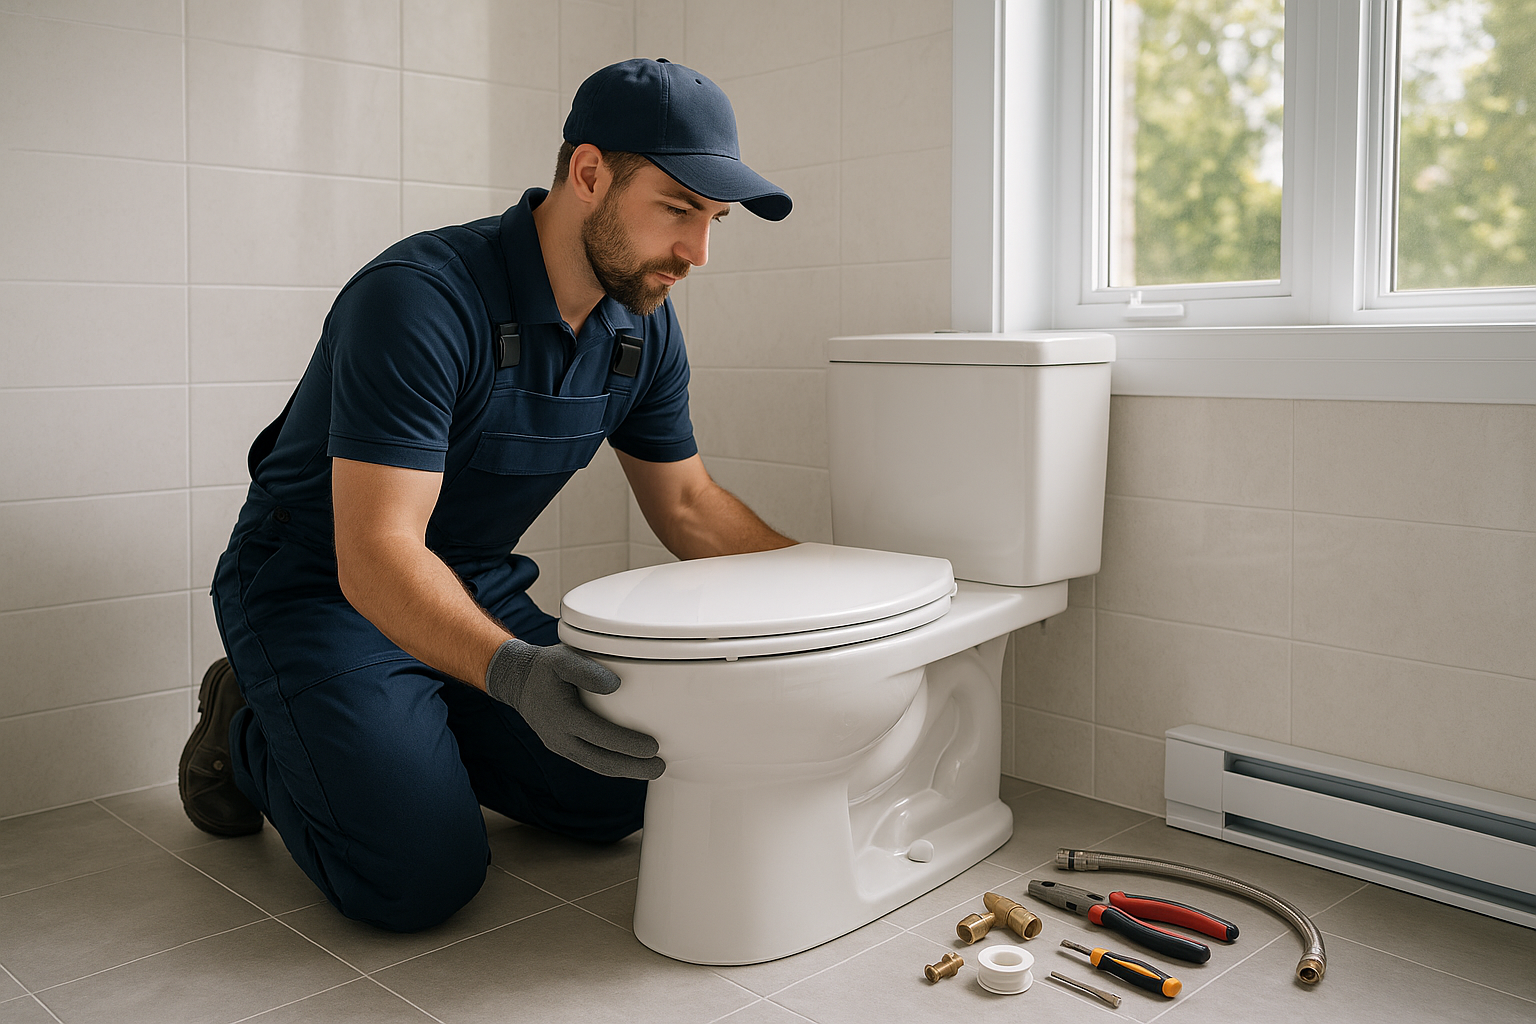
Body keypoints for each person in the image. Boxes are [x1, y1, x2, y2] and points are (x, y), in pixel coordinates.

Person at [178, 58, 795, 932]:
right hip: (319, 585)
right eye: (679, 210)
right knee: (415, 878)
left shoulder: (641, 330)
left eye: (716, 220)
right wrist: (511, 673)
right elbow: (378, 551)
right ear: (588, 174)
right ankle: (247, 723)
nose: (698, 254)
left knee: (624, 789)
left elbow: (689, 506)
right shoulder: (420, 299)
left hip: (468, 580)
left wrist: (836, 582)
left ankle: (410, 729)